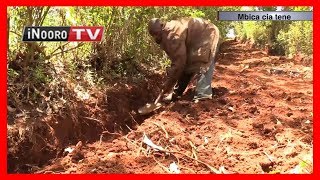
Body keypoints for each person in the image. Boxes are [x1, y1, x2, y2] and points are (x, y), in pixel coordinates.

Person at [148, 17, 220, 103]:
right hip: (194, 40)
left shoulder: (173, 35)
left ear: (162, 27)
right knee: (187, 65)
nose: (155, 37)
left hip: (207, 33)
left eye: (156, 33)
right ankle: (177, 93)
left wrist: (167, 86)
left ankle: (203, 94)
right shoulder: (166, 33)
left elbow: (179, 64)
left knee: (203, 61)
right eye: (153, 35)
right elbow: (180, 62)